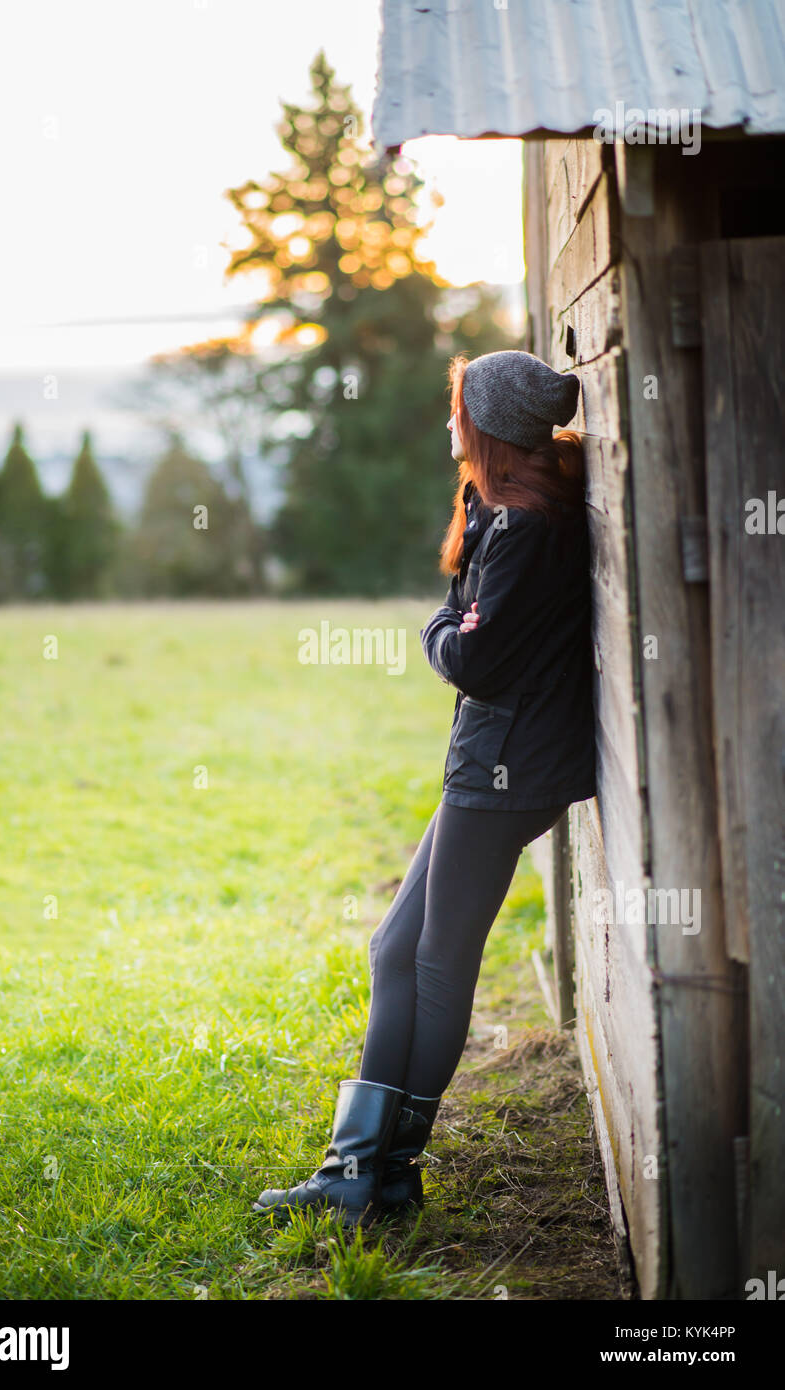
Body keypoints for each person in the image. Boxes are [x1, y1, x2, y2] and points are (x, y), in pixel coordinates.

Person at [253, 349, 598, 1227]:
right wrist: (457, 613)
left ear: (484, 425)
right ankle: (375, 1173)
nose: (447, 425)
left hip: (504, 765)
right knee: (393, 950)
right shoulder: (510, 510)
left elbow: (470, 659)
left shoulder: (522, 528)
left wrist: (437, 624)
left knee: (436, 960)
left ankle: (369, 1174)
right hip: (499, 759)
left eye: (455, 411)